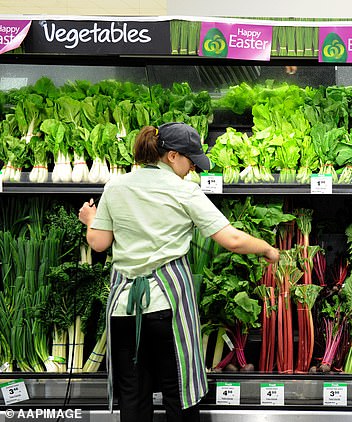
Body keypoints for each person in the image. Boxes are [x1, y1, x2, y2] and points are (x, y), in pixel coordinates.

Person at [78, 122, 279, 422]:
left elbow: (99, 243)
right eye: (190, 161)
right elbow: (232, 240)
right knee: (178, 394)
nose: (192, 169)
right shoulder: (184, 190)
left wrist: (90, 219)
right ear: (172, 156)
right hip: (165, 309)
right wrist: (267, 249)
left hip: (123, 311)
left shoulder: (115, 186)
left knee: (133, 395)